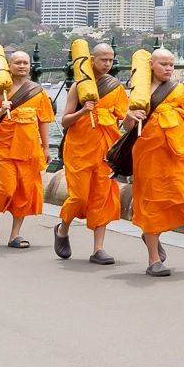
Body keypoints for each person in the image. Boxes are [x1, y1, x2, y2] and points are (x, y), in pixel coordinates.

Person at [126, 48, 184, 277]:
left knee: (178, 197)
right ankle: (154, 259)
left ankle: (152, 234)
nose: (168, 68)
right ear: (151, 64)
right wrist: (130, 116)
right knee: (151, 202)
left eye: (171, 64)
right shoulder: (140, 91)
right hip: (148, 156)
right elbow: (128, 128)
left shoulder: (179, 90)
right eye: (163, 64)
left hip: (176, 154)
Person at [55, 44, 129, 265]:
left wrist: (136, 114)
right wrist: (82, 111)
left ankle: (98, 249)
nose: (107, 64)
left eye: (111, 60)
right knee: (79, 197)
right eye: (103, 59)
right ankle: (62, 228)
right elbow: (65, 120)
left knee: (102, 197)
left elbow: (125, 121)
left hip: (106, 151)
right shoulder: (78, 86)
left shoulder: (115, 88)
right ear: (92, 59)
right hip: (79, 150)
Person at [0, 52, 53, 249]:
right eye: (18, 63)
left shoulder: (38, 91)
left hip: (29, 147)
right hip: (5, 146)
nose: (22, 66)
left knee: (24, 190)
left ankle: (15, 234)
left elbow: (44, 121)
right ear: (9, 65)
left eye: (25, 63)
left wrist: (46, 147)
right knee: (6, 188)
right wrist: (0, 110)